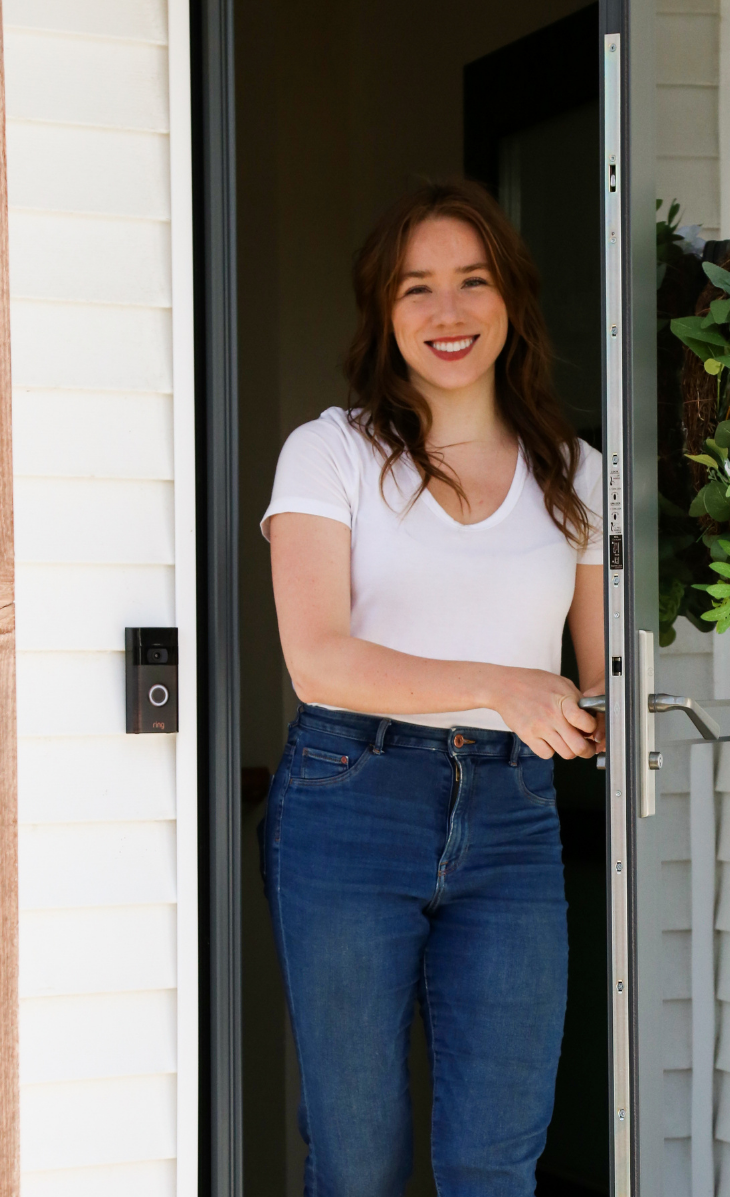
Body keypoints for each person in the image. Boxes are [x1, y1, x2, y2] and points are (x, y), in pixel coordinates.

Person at [259, 180, 604, 1194]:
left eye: (471, 283)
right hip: (348, 804)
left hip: (511, 816)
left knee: (495, 1157)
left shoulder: (577, 472)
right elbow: (316, 657)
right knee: (356, 1153)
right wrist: (502, 686)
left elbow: (592, 679)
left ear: (511, 300)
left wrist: (596, 712)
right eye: (416, 290)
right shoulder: (329, 454)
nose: (446, 314)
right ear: (383, 311)